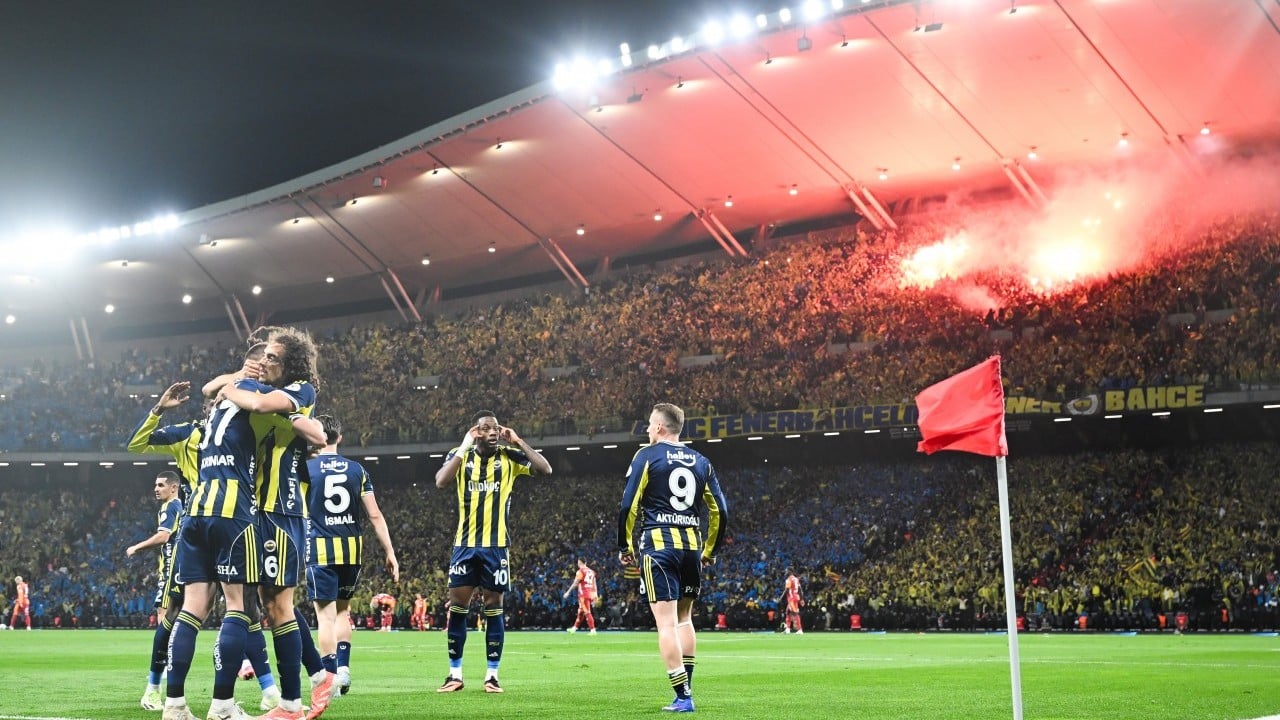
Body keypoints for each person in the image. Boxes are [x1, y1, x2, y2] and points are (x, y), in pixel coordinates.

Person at [130, 381, 280, 712]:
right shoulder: (189, 434)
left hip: (227, 520)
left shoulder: (248, 426)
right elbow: (137, 443)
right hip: (204, 523)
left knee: (248, 607)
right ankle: (154, 688)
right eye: (212, 401)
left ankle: (268, 689)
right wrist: (158, 409)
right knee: (179, 611)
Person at [214, 328, 329, 720]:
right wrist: (235, 378)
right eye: (263, 356)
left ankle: (291, 704)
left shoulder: (300, 390)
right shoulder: (265, 390)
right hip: (260, 508)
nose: (264, 362)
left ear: (291, 364)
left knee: (279, 606)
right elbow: (210, 388)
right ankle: (313, 680)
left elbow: (262, 405)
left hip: (279, 509)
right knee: (272, 604)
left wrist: (232, 388)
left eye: (272, 357)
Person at [162, 345, 277, 720]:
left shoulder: (217, 405)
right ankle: (223, 706)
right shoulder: (258, 396)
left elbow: (209, 387)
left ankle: (174, 705)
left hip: (195, 510)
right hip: (231, 513)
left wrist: (236, 376)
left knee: (192, 608)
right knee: (237, 606)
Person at [618, 403, 729, 714]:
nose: (647, 429)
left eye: (650, 424)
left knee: (665, 623)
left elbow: (628, 504)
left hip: (659, 546)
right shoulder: (702, 461)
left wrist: (625, 546)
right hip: (691, 547)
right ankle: (687, 689)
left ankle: (683, 696)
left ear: (659, 427)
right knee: (684, 619)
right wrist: (710, 550)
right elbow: (721, 510)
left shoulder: (646, 455)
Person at [434, 411, 552, 694]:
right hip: (464, 546)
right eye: (486, 428)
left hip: (496, 548)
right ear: (476, 431)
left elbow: (545, 469)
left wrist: (518, 441)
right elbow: (440, 481)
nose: (493, 432)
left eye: (496, 428)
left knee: (494, 609)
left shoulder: (509, 457)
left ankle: (492, 676)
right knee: (458, 610)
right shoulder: (460, 455)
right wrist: (464, 444)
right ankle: (454, 675)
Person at [305, 414, 399, 699]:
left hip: (320, 547)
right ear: (340, 438)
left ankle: (330, 680)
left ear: (315, 436)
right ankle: (344, 669)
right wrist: (390, 551)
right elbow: (374, 514)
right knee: (342, 611)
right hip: (351, 549)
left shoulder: (305, 468)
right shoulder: (357, 469)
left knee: (325, 617)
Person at [126, 471, 183, 710]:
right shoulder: (179, 506)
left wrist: (137, 547)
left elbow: (163, 536)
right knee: (171, 622)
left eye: (161, 485)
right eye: (155, 485)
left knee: (165, 620)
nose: (156, 489)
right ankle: (167, 674)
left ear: (173, 487)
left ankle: (157, 682)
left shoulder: (170, 506)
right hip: (178, 568)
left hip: (171, 569)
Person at [563, 558, 598, 634]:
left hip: (583, 594)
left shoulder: (580, 571)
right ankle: (574, 629)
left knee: (587, 612)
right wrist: (595, 595)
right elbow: (594, 584)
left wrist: (568, 592)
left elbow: (575, 583)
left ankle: (593, 630)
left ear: (580, 562)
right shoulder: (592, 572)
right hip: (590, 593)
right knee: (580, 612)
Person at [781, 569, 804, 634]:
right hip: (796, 597)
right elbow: (800, 590)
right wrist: (801, 599)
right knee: (787, 612)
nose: (786, 572)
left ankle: (800, 630)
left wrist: (780, 598)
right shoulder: (796, 579)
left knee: (795, 613)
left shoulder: (789, 579)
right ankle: (787, 629)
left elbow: (787, 590)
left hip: (792, 598)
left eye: (787, 571)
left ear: (790, 571)